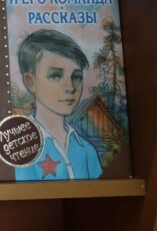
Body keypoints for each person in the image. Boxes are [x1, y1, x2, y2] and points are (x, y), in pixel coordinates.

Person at [15, 30, 102, 181]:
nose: (70, 87)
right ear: (30, 82)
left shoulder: (87, 150)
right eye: (55, 76)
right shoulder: (20, 149)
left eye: (77, 77)